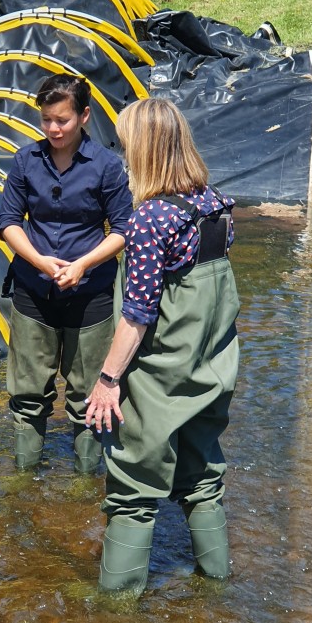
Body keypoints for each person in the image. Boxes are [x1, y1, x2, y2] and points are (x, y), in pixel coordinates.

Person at [85, 97, 240, 594]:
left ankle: (114, 609)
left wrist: (108, 381)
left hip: (160, 372)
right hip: (212, 365)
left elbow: (138, 314)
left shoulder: (152, 218)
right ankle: (217, 587)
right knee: (201, 476)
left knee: (133, 488)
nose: (122, 153)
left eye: (127, 144)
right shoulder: (216, 205)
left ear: (146, 149)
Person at [0, 73, 133, 474]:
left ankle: (84, 486)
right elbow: (7, 220)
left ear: (84, 116)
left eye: (63, 120)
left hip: (90, 295)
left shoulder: (107, 167)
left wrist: (82, 264)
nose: (54, 129)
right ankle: (24, 479)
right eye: (47, 120)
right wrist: (38, 260)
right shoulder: (25, 161)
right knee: (27, 393)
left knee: (89, 394)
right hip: (32, 293)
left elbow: (124, 228)